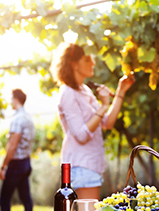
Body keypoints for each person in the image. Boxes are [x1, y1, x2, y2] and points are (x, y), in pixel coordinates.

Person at [50, 43, 134, 199]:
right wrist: (103, 106)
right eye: (87, 59)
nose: (93, 63)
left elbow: (107, 123)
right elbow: (81, 135)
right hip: (81, 164)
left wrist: (120, 91)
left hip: (90, 165)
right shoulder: (68, 93)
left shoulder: (84, 90)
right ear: (74, 64)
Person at [0, 89, 35, 211]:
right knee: (26, 197)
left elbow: (12, 146)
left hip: (15, 164)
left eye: (11, 98)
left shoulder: (17, 119)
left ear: (15, 99)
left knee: (4, 198)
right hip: (26, 162)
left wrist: (4, 166)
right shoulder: (29, 118)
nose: (10, 101)